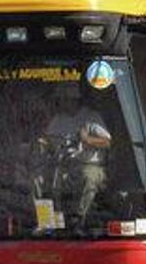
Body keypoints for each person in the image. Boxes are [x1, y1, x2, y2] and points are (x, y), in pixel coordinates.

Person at [40, 90, 112, 226]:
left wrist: (87, 140)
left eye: (63, 99)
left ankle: (78, 220)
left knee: (87, 176)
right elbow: (48, 141)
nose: (60, 103)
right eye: (59, 99)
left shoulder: (91, 117)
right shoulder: (58, 119)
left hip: (89, 164)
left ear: (74, 100)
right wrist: (44, 144)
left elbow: (108, 142)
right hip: (62, 163)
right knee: (39, 179)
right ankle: (49, 224)